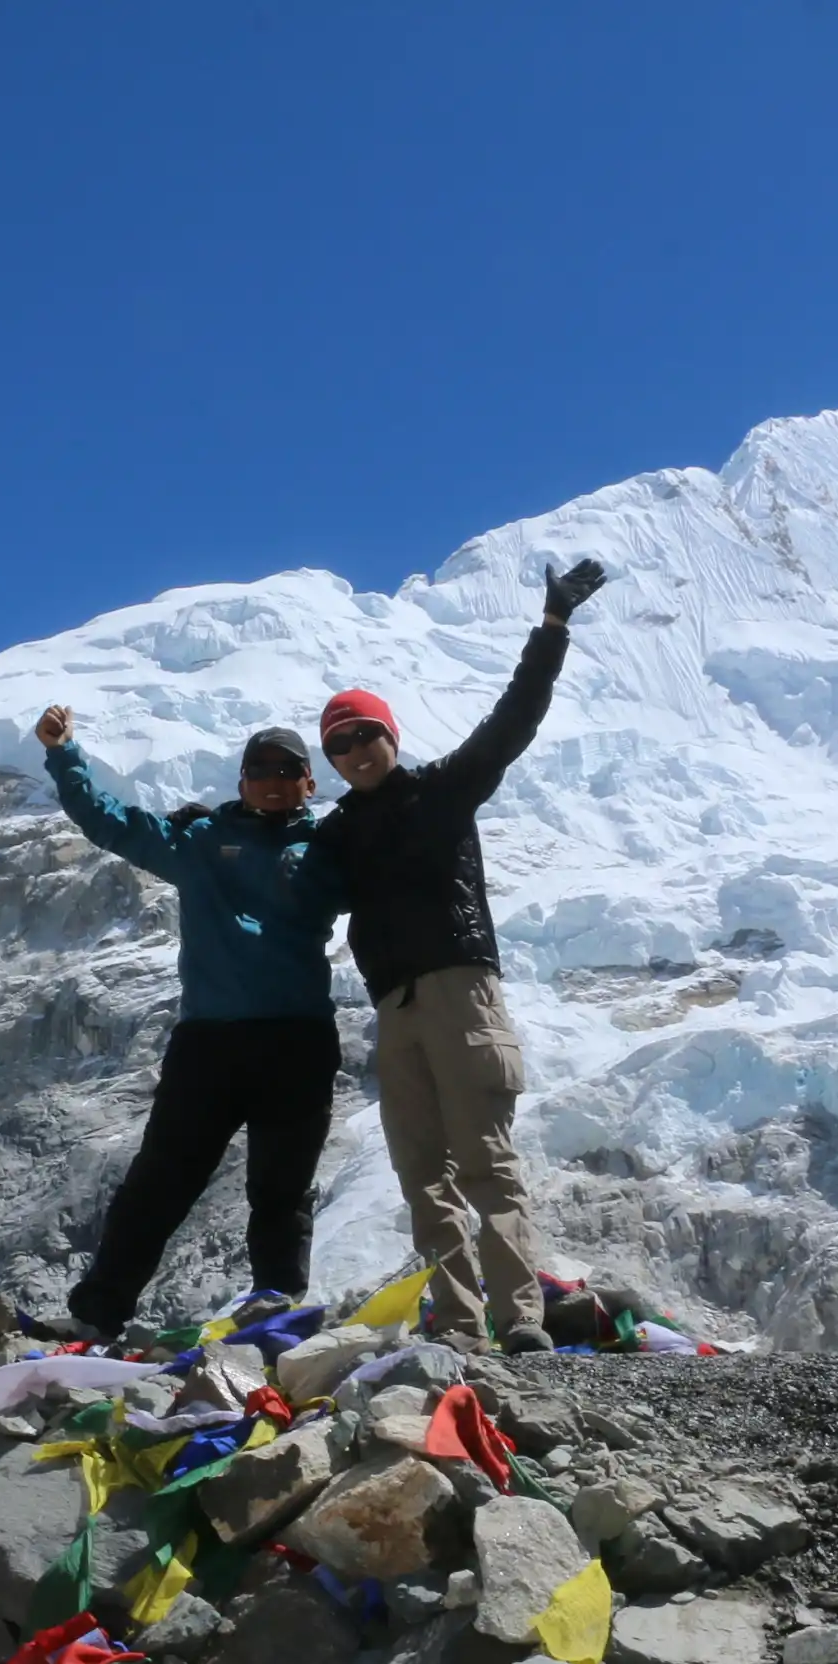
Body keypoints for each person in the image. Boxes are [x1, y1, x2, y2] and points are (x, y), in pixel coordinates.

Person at [313, 557, 608, 1351]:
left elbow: (514, 720)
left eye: (365, 733)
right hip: (394, 1009)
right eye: (340, 742)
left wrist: (552, 628)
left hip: (459, 991)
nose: (356, 749)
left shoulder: (442, 789)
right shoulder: (336, 833)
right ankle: (460, 1326)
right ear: (332, 759)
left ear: (390, 737)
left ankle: (520, 1320)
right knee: (421, 1175)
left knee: (485, 1161)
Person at [33, 704, 343, 1339]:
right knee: (160, 1182)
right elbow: (109, 822)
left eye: (289, 770)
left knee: (282, 1190)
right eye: (260, 769)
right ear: (241, 781)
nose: (274, 780)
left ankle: (277, 1312)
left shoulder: (332, 849)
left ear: (310, 783)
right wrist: (64, 753)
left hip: (299, 1040)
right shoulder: (199, 844)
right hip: (210, 1043)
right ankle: (97, 1314)